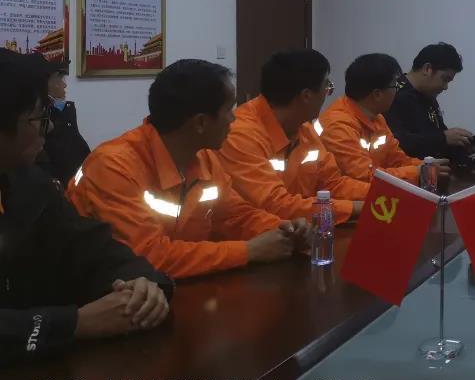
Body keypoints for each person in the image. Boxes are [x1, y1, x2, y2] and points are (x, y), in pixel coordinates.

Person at [0, 51, 171, 362]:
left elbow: (93, 246)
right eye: (38, 119)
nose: (49, 129)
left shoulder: (29, 184)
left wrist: (142, 284)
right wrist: (75, 323)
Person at [68, 60, 309, 279]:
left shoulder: (203, 158)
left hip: (176, 285)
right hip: (105, 292)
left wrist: (283, 229)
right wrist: (248, 251)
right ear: (200, 123)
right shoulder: (114, 166)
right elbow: (149, 257)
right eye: (229, 109)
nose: (234, 119)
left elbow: (235, 215)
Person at [219, 49, 369, 224]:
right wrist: (356, 208)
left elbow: (333, 184)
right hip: (259, 234)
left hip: (299, 229)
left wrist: (381, 194)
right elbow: (275, 205)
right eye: (327, 86)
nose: (327, 93)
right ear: (306, 95)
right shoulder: (240, 135)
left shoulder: (303, 128)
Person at [320, 54, 451, 185]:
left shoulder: (377, 118)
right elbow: (365, 176)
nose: (398, 90)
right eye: (395, 85)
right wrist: (418, 172)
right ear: (377, 94)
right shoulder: (337, 125)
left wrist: (427, 166)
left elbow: (397, 160)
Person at [386, 42, 475, 161]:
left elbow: (436, 142)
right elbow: (398, 143)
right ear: (427, 69)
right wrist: (443, 138)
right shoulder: (393, 95)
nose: (446, 87)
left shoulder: (428, 96)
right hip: (409, 171)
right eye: (445, 79)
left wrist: (460, 146)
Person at [34, 57, 90, 189]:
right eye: (58, 79)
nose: (64, 85)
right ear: (44, 84)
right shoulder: (46, 121)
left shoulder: (64, 113)